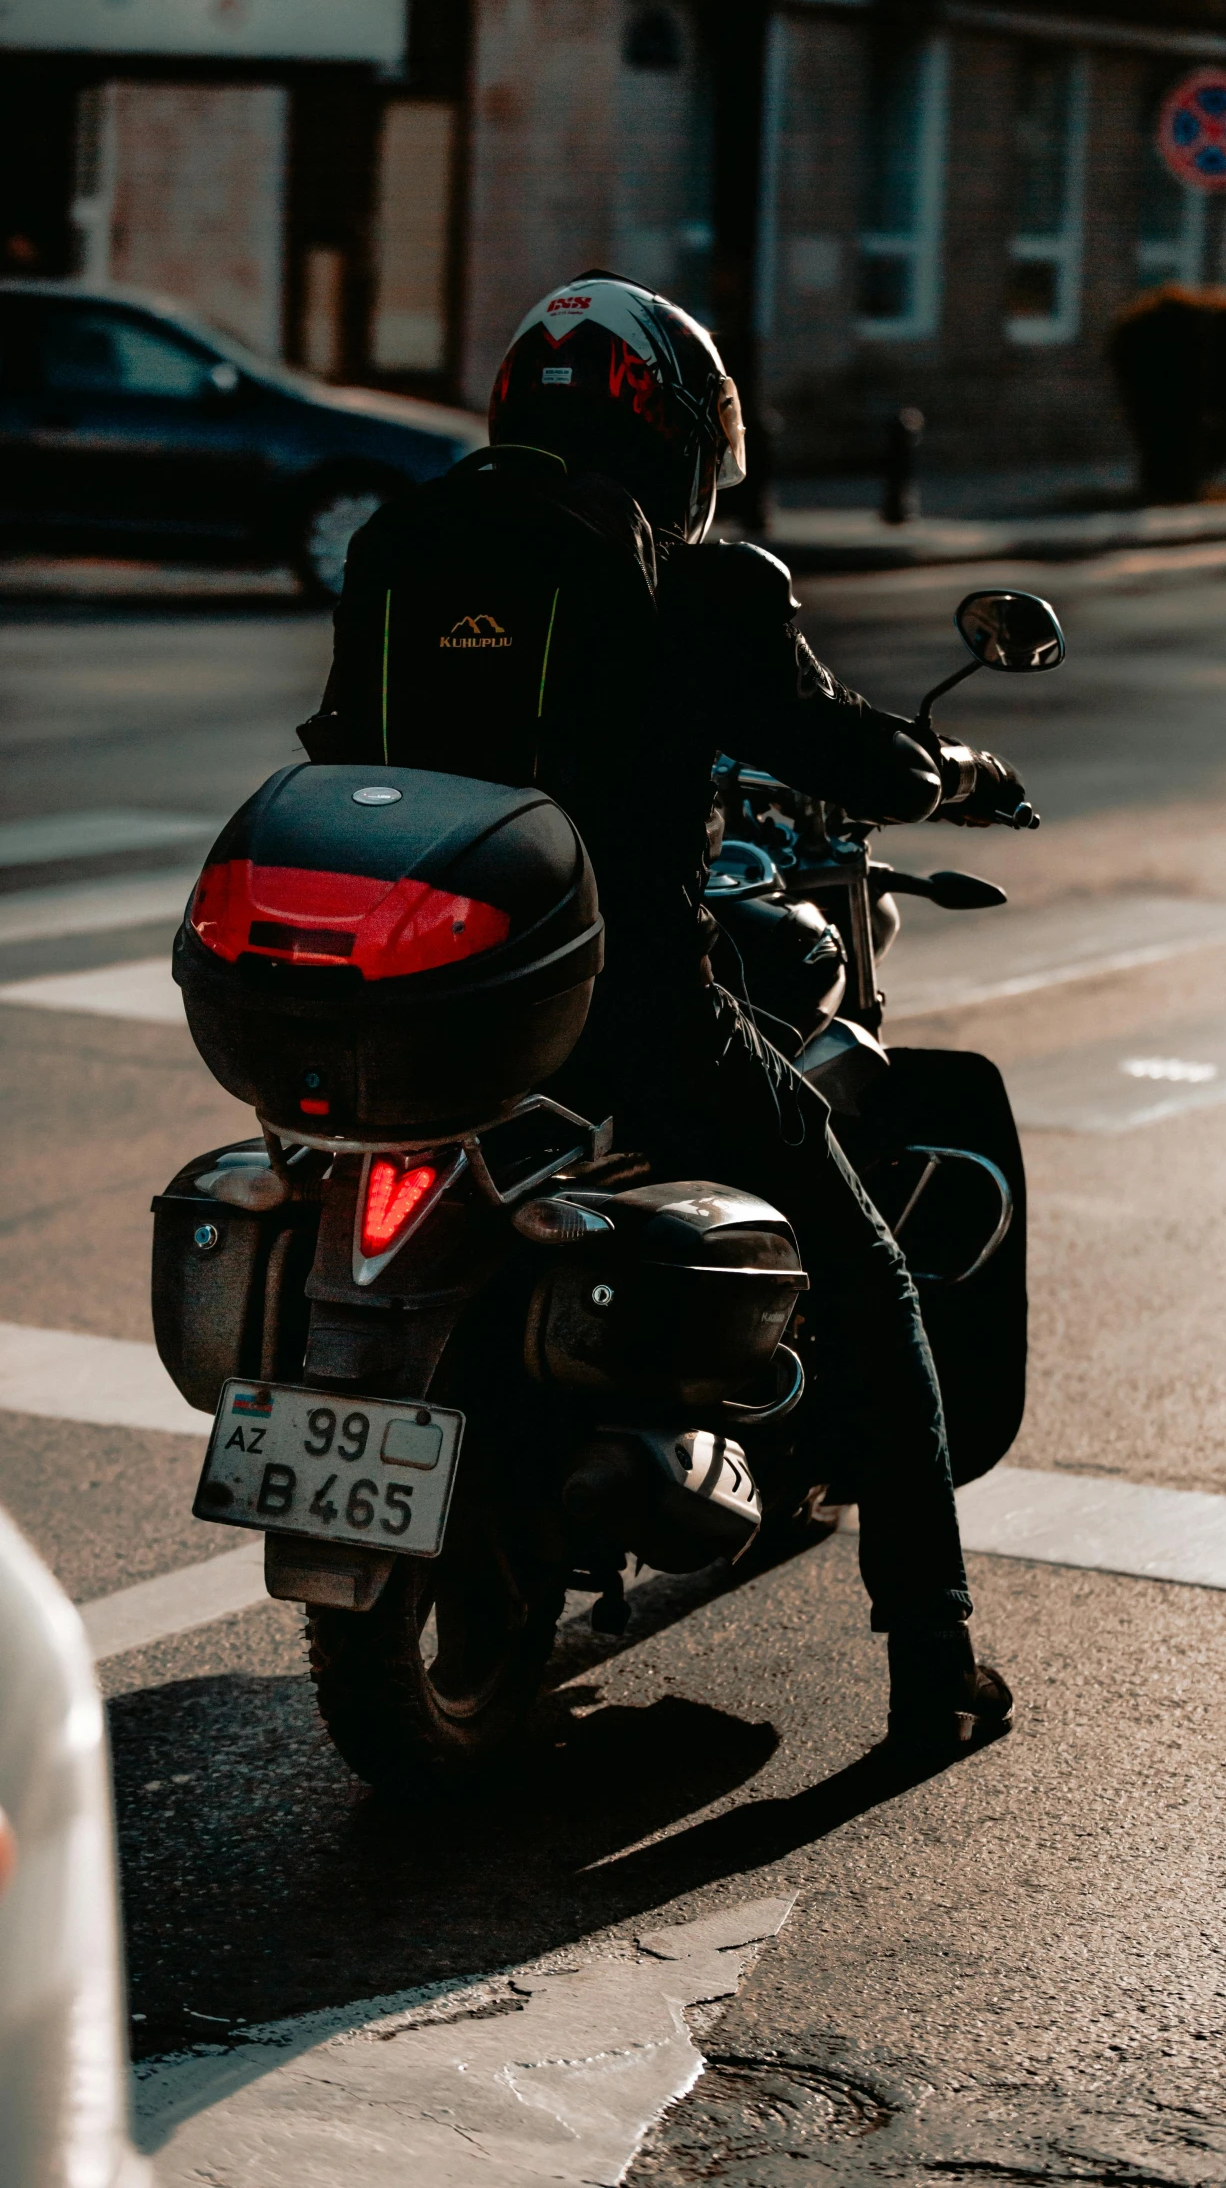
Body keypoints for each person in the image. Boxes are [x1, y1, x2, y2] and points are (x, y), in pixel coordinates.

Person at [300, 272, 1030, 1761]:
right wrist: (949, 772)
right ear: (679, 438)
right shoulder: (700, 584)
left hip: (417, 1006)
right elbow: (840, 751)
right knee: (875, 1270)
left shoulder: (400, 549)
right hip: (627, 1005)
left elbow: (337, 744)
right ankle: (934, 1657)